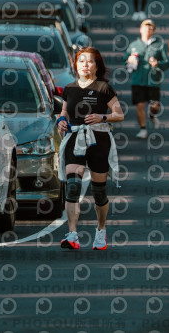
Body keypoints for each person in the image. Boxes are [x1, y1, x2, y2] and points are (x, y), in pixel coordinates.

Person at [57, 47, 124, 251]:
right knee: (72, 186)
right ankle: (72, 234)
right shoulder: (69, 88)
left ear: (96, 66)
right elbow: (64, 112)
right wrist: (61, 120)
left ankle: (101, 230)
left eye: (90, 61)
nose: (85, 64)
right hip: (75, 138)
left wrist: (102, 117)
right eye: (81, 61)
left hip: (98, 140)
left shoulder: (104, 88)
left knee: (99, 192)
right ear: (76, 65)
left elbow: (119, 114)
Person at [125, 19, 169, 138]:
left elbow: (166, 64)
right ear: (140, 29)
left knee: (155, 106)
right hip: (137, 80)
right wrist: (130, 61)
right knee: (140, 105)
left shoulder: (159, 45)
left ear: (153, 31)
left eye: (150, 28)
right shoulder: (134, 45)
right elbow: (126, 62)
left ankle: (152, 115)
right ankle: (143, 129)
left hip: (153, 81)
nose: (148, 30)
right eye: (145, 27)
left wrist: (157, 63)